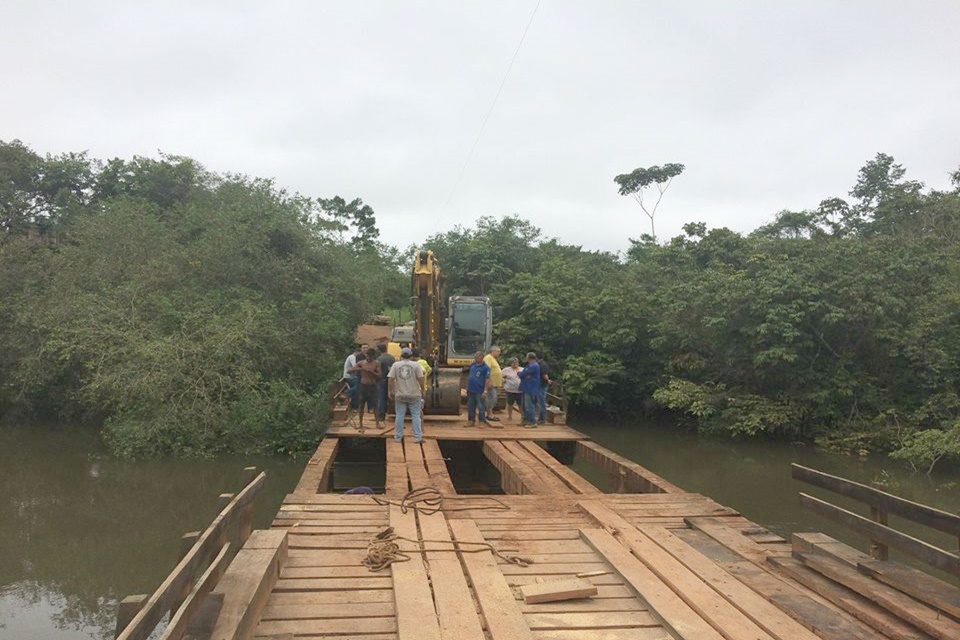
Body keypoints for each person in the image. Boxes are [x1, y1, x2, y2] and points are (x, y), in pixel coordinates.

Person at [388, 347, 425, 442]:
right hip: (414, 394)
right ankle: (417, 437)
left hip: (400, 394)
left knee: (399, 415)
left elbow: (391, 379)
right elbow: (421, 379)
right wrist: (423, 389)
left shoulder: (396, 365)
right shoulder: (416, 365)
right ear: (411, 356)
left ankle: (398, 437)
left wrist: (390, 391)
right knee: (416, 415)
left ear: (401, 355)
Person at [350, 348, 381, 431]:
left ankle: (377, 423)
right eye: (367, 356)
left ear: (373, 356)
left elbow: (380, 375)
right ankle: (360, 424)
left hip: (372, 386)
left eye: (370, 356)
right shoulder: (361, 363)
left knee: (375, 405)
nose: (369, 358)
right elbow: (350, 371)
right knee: (361, 405)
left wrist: (371, 372)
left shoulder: (376, 363)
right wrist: (360, 369)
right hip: (363, 386)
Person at [465, 351, 492, 427]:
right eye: (475, 357)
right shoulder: (473, 365)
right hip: (471, 390)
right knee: (470, 406)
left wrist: (485, 391)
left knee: (481, 406)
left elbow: (487, 380)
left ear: (481, 357)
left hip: (479, 391)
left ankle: (482, 421)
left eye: (476, 357)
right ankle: (471, 420)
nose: (475, 358)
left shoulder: (486, 368)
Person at [518, 352, 540, 427]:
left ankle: (532, 422)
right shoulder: (530, 365)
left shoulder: (533, 366)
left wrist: (520, 373)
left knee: (529, 405)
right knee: (524, 405)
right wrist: (524, 375)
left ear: (529, 358)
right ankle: (525, 420)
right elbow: (524, 374)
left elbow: (522, 374)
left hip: (530, 388)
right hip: (526, 388)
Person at [341, 343, 366, 408]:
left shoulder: (351, 357)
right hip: (349, 376)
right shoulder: (352, 357)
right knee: (359, 386)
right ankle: (346, 393)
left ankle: (355, 405)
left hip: (352, 376)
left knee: (358, 388)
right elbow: (355, 366)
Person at [375, 343, 395, 422]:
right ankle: (390, 411)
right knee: (389, 396)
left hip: (381, 379)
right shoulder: (392, 358)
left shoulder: (379, 359)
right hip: (391, 378)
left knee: (381, 397)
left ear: (379, 350)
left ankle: (381, 415)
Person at [483, 346, 503, 421]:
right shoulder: (488, 358)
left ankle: (490, 414)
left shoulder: (493, 359)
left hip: (495, 384)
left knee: (493, 398)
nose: (499, 353)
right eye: (498, 351)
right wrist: (489, 380)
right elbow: (487, 369)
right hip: (491, 383)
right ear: (493, 351)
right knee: (491, 398)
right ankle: (489, 415)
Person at [501, 357, 522, 422]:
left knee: (520, 404)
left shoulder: (522, 369)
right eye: (513, 362)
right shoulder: (506, 370)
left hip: (520, 390)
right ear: (511, 363)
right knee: (510, 403)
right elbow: (501, 377)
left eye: (516, 362)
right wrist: (503, 383)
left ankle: (522, 416)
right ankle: (510, 416)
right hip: (510, 390)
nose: (515, 364)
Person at [537, 355, 552, 425]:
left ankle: (542, 419)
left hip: (542, 385)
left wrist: (548, 380)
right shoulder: (543, 364)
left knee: (541, 402)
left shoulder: (542, 365)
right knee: (541, 402)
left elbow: (544, 375)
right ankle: (541, 418)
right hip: (542, 385)